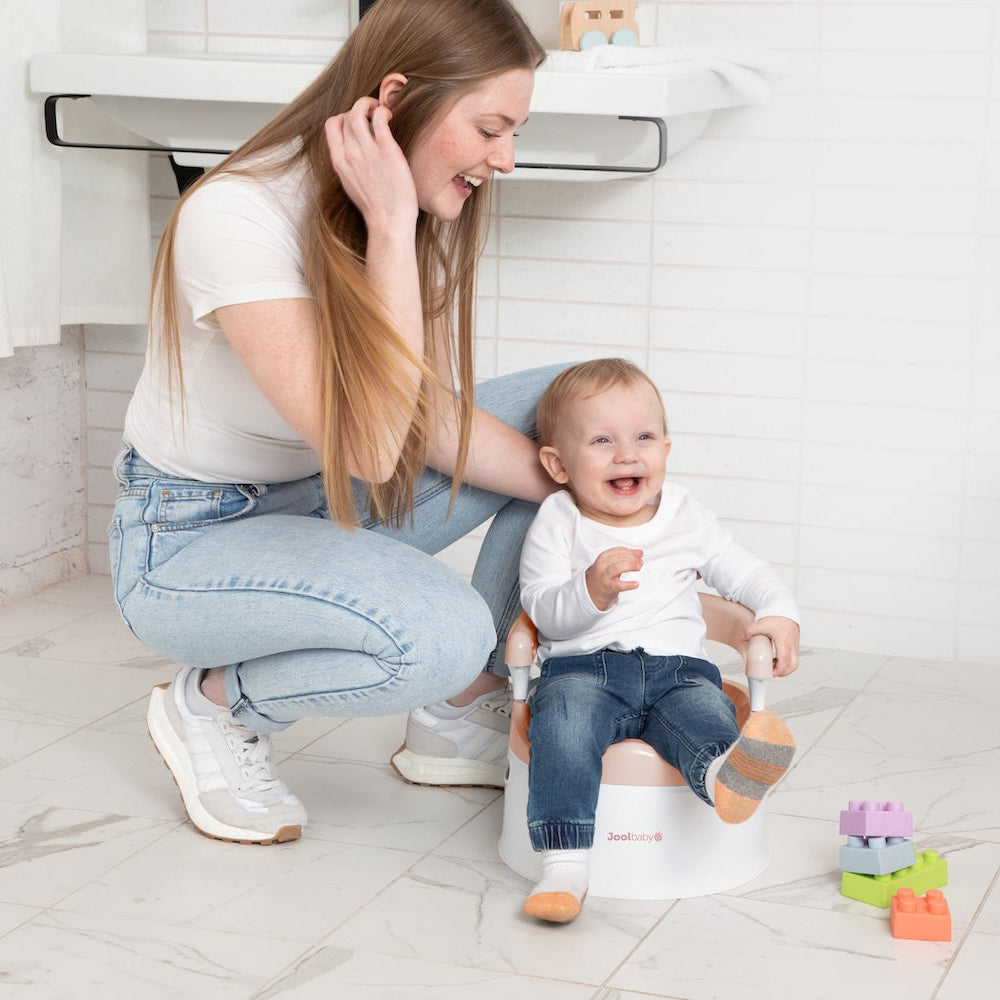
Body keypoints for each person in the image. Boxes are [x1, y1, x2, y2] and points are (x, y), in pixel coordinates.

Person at [109, 0, 559, 847]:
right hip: (189, 543)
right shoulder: (237, 215)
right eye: (492, 128)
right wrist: (392, 226)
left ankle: (461, 715)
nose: (506, 159)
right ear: (394, 100)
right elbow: (371, 442)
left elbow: (416, 418)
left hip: (321, 501)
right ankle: (210, 706)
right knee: (443, 633)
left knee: (583, 422)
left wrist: (599, 490)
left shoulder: (386, 206)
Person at [518, 358, 800, 923]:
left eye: (643, 437)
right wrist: (589, 590)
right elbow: (541, 610)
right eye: (602, 440)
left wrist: (780, 612)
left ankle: (724, 775)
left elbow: (746, 573)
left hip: (679, 670)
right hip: (584, 672)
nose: (627, 454)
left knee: (703, 713)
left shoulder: (686, 515)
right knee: (564, 727)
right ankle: (566, 865)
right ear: (558, 463)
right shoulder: (559, 519)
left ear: (666, 451)